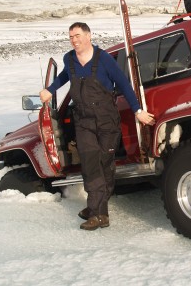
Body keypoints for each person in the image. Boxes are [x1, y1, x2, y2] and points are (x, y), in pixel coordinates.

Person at [39, 22, 155, 231]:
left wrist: (138, 111)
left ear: (88, 36)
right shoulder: (70, 58)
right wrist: (50, 89)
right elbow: (66, 75)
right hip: (83, 121)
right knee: (90, 163)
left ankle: (96, 205)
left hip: (106, 121)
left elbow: (124, 85)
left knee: (104, 164)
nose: (74, 40)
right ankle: (99, 213)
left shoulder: (105, 60)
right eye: (71, 37)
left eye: (77, 36)